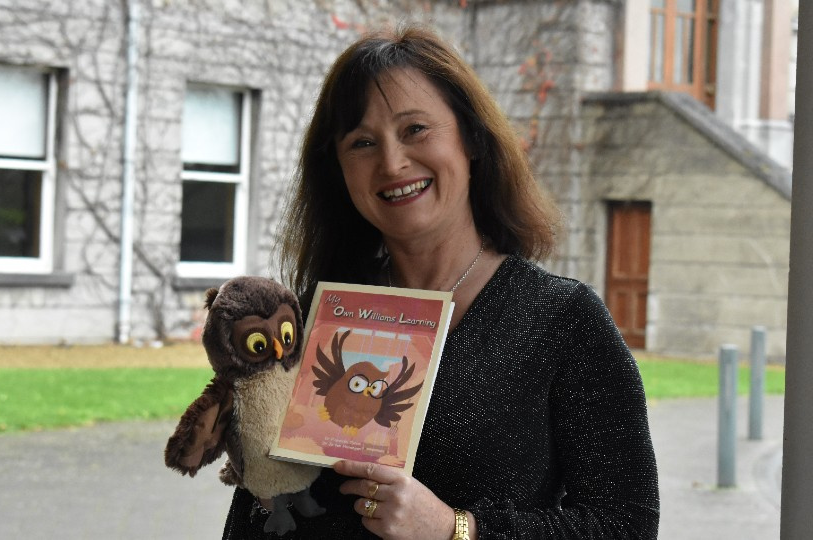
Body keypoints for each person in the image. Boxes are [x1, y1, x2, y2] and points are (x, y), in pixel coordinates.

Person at [222, 24, 659, 540]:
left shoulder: (563, 321)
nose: (391, 162)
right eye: (362, 142)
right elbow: (258, 511)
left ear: (472, 138)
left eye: (415, 130)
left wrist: (459, 529)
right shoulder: (318, 317)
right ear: (338, 169)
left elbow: (625, 524)